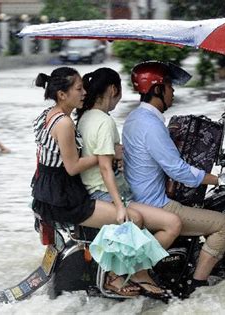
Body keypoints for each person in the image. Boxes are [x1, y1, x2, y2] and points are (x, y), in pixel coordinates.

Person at [31, 66, 146, 297]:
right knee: (130, 219)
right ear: (63, 94)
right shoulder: (64, 123)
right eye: (79, 88)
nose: (85, 92)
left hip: (46, 191)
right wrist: (106, 155)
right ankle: (112, 275)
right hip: (65, 197)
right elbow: (72, 167)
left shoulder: (48, 115)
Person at [122, 61, 225, 293]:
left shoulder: (134, 118)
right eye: (170, 86)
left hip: (137, 198)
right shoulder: (151, 124)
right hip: (156, 204)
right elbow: (178, 170)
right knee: (224, 224)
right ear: (157, 90)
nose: (173, 92)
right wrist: (220, 179)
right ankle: (197, 286)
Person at [76, 67, 181, 299]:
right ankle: (132, 272)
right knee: (172, 223)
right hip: (106, 194)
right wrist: (120, 206)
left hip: (92, 191)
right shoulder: (104, 121)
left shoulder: (84, 118)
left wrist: (115, 155)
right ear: (113, 89)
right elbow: (105, 168)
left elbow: (101, 158)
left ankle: (130, 270)